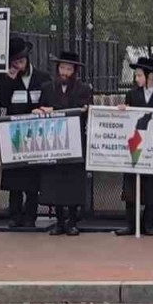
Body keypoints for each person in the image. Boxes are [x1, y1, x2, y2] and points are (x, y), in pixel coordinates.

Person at [36, 51, 93, 236]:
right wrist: (38, 111)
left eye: (69, 69)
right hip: (54, 141)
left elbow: (80, 109)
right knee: (55, 182)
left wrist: (55, 109)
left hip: (75, 141)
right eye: (62, 68)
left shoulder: (83, 89)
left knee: (73, 182)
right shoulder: (47, 88)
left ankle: (73, 222)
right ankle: (59, 221)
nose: (65, 72)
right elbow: (42, 107)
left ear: (74, 70)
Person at [0, 37, 51, 229]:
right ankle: (14, 214)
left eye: (21, 62)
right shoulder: (7, 78)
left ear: (27, 59)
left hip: (36, 133)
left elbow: (48, 101)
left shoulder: (43, 77)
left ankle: (30, 215)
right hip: (15, 133)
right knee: (15, 177)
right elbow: (3, 101)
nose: (19, 66)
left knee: (33, 178)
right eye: (15, 63)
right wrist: (9, 81)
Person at [116, 56, 153, 236]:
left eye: (139, 75)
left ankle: (149, 223)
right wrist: (123, 110)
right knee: (132, 185)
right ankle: (131, 224)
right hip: (136, 144)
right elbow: (128, 119)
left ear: (150, 76)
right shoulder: (132, 94)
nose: (136, 79)